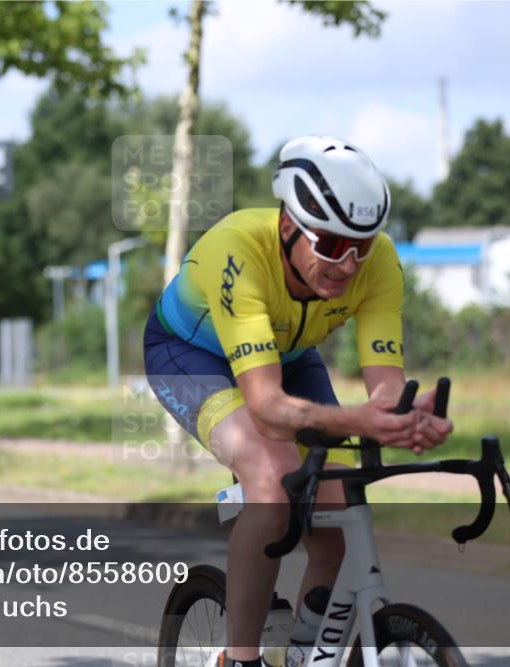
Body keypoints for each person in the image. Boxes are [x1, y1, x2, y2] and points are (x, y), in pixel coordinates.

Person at [143, 136, 454, 667]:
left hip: (287, 354)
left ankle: (309, 656)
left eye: (362, 245)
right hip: (191, 354)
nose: (348, 263)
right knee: (271, 476)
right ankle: (240, 659)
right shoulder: (241, 252)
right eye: (331, 246)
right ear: (289, 227)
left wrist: (402, 416)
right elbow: (265, 407)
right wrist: (360, 420)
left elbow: (384, 385)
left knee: (337, 506)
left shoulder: (378, 264)